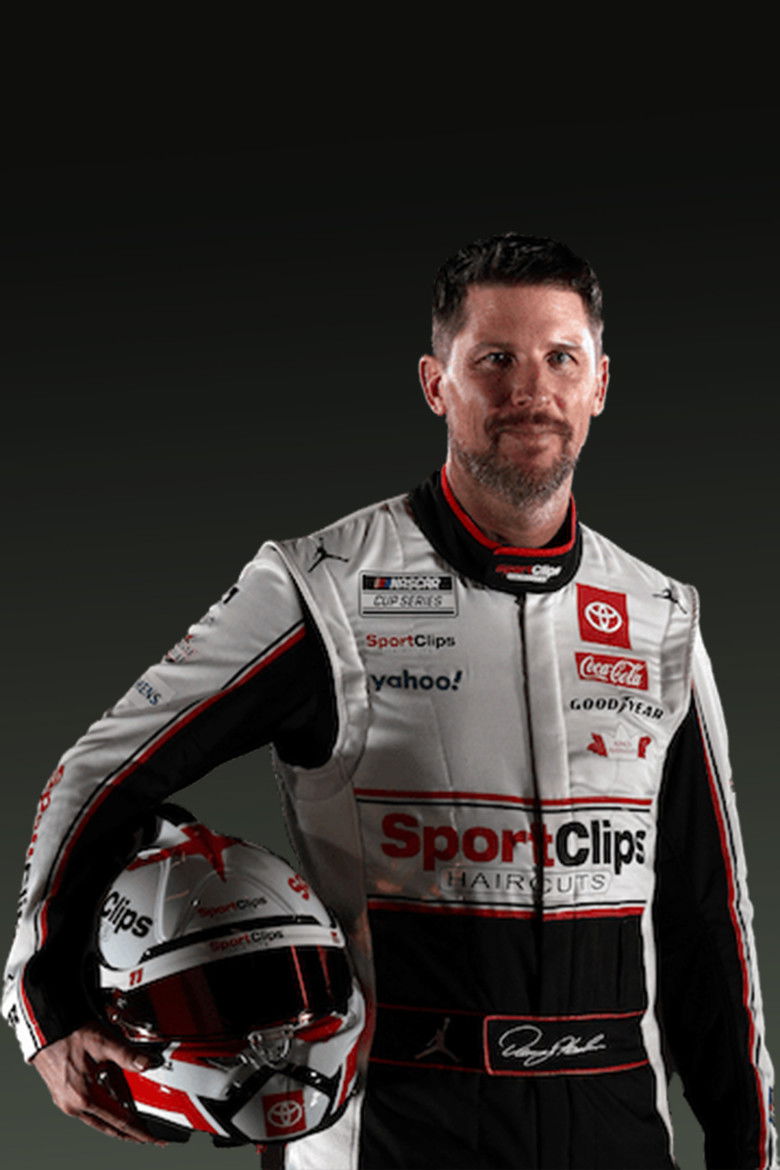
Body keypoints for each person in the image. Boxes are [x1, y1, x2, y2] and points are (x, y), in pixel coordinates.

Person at [4, 234, 775, 1169]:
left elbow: (710, 925)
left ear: (600, 384)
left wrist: (751, 1149)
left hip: (615, 1137)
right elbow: (101, 773)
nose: (531, 389)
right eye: (495, 359)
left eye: (561, 358)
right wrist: (47, 1005)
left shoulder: (661, 617)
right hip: (383, 1136)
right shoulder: (320, 588)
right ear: (435, 383)